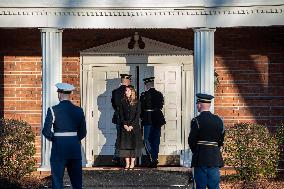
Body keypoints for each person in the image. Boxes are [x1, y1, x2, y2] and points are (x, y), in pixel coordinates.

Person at [42, 83, 87, 189]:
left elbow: (46, 131)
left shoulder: (53, 110)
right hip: (74, 149)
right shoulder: (79, 110)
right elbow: (83, 132)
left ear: (59, 94)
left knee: (57, 182)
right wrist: (74, 140)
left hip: (59, 149)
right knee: (77, 183)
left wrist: (55, 139)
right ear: (70, 94)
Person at [188, 93, 225, 189]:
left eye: (197, 104)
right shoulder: (219, 120)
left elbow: (191, 140)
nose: (197, 106)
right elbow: (221, 139)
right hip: (214, 157)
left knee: (199, 186)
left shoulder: (196, 120)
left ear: (199, 104)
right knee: (214, 186)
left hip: (201, 157)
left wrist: (196, 151)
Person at [140, 77, 166, 168]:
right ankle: (155, 158)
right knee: (156, 140)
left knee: (146, 139)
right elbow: (161, 105)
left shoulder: (144, 95)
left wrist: (141, 117)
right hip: (158, 118)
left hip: (148, 118)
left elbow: (141, 108)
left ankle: (152, 158)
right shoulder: (159, 94)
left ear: (146, 85)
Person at [118, 85, 144, 169]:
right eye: (126, 91)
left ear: (132, 92)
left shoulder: (137, 102)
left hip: (134, 127)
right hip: (125, 126)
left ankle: (132, 163)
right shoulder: (122, 101)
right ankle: (127, 163)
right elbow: (121, 114)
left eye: (128, 91)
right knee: (125, 145)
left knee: (134, 145)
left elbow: (137, 115)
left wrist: (132, 125)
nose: (126, 92)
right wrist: (125, 124)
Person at [111, 74, 132, 165]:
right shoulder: (130, 90)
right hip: (128, 118)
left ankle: (118, 157)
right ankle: (122, 158)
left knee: (120, 137)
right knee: (127, 139)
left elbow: (114, 104)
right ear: (127, 81)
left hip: (118, 117)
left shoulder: (115, 91)